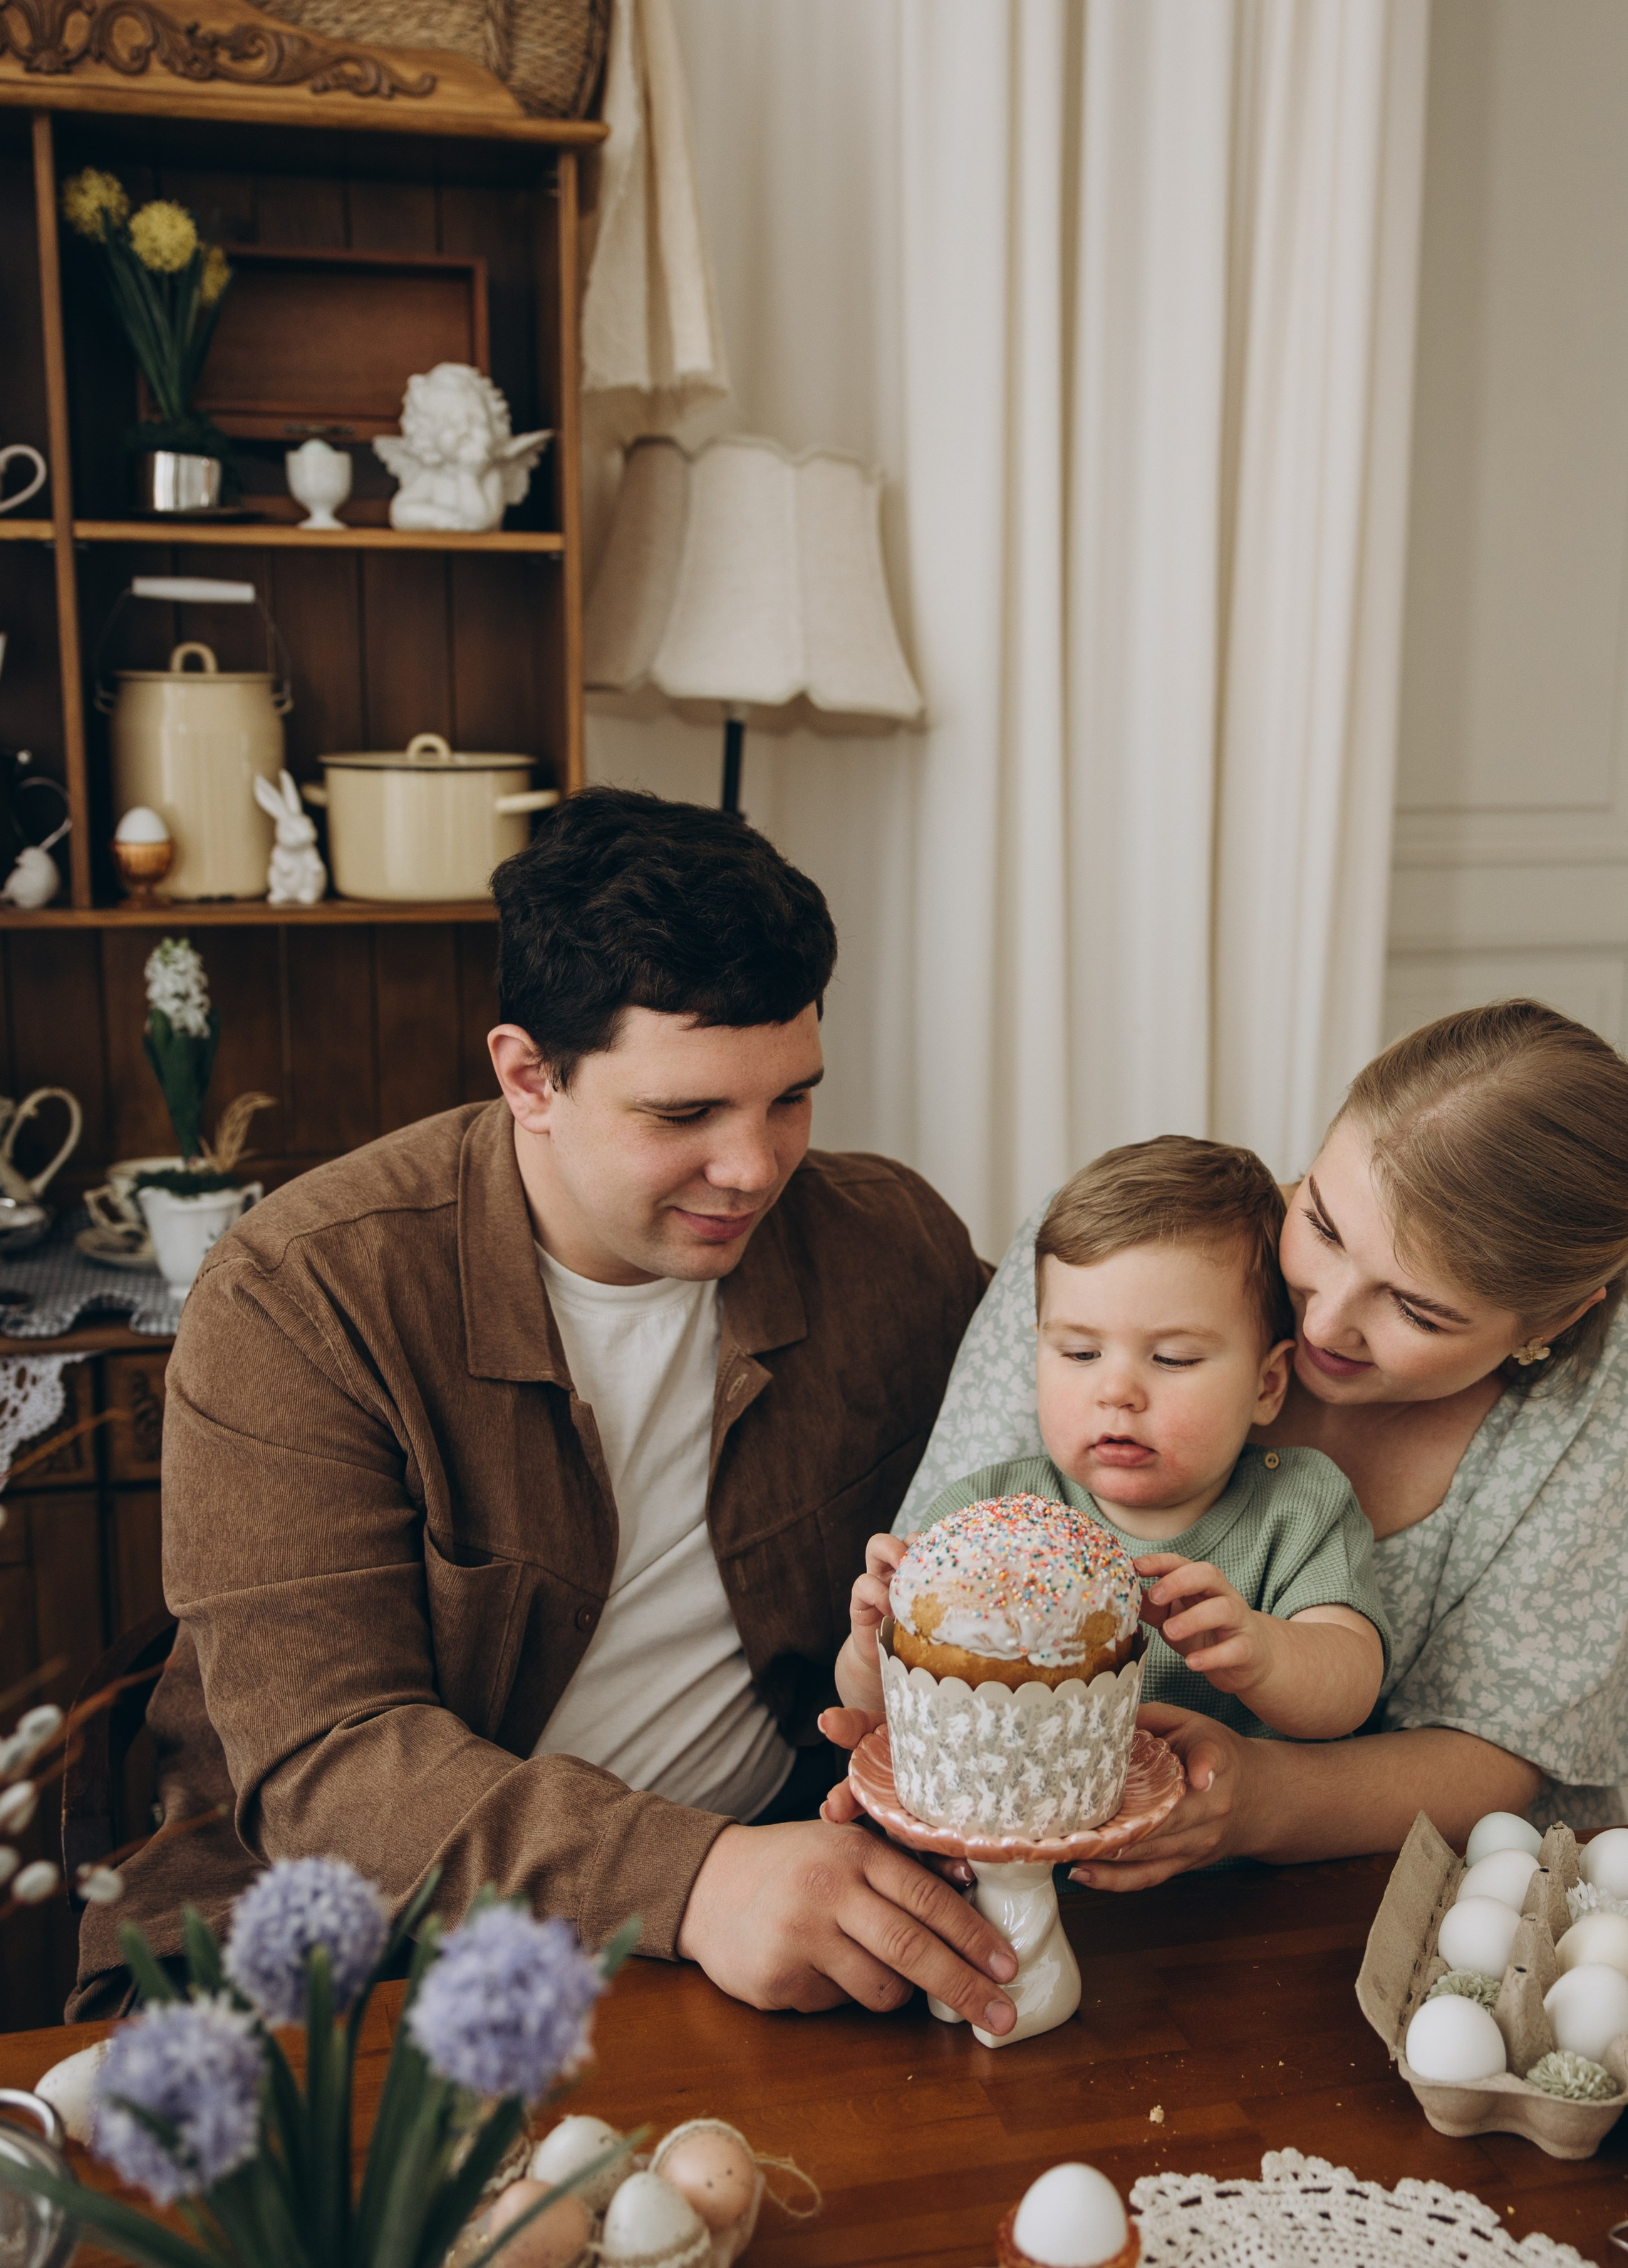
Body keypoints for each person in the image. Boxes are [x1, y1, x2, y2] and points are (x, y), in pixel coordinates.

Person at [73, 789, 1023, 2038]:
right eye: (683, 1115)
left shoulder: (886, 1243)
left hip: (768, 1931)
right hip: (352, 1964)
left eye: (790, 1097)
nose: (755, 1167)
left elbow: (1076, 1449)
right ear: (529, 1076)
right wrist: (693, 1882)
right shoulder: (301, 1294)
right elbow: (329, 1764)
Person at [824, 1000, 1628, 1880]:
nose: (1326, 1320)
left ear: (1549, 1323)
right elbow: (938, 1606)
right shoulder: (1125, 1256)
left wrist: (1238, 1799)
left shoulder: (1615, 1385)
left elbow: (1498, 1754)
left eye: (1417, 1309)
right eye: (1320, 1223)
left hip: (1428, 1871)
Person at [835, 1136, 1388, 1741]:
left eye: (1173, 1358)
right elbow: (896, 1708)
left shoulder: (1299, 1508)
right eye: (1080, 1352)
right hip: (1013, 1818)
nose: (1117, 1391)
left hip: (1219, 1827)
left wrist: (1264, 1653)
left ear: (1268, 1385)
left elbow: (1352, 1686)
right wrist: (870, 1656)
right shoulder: (985, 1515)